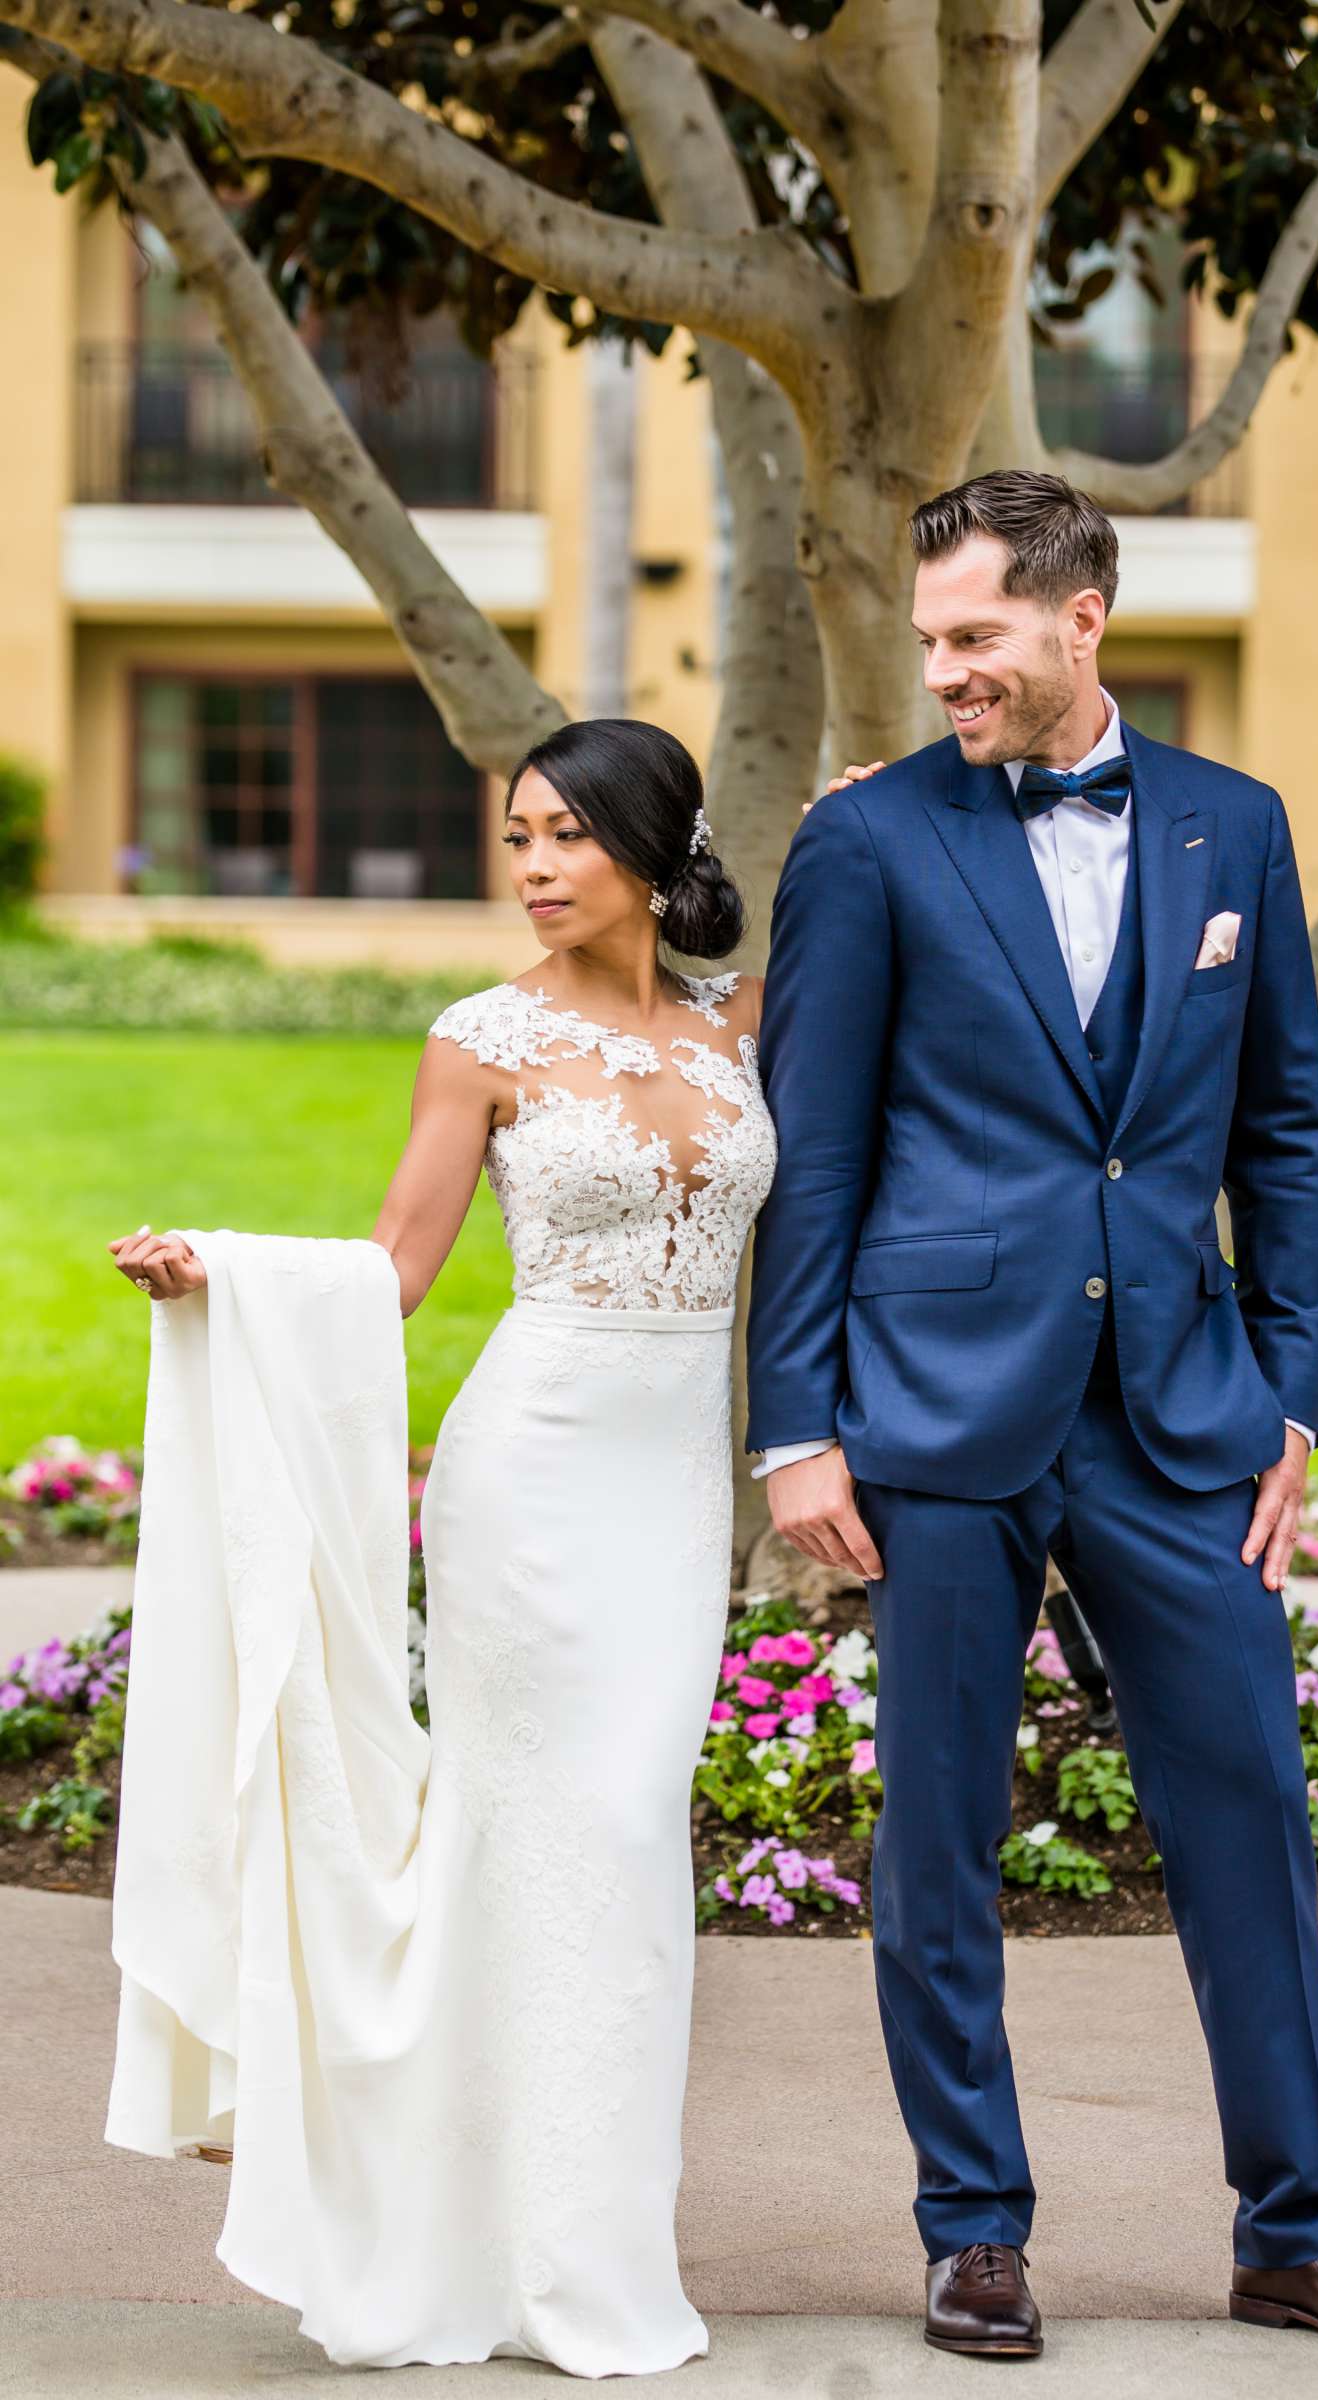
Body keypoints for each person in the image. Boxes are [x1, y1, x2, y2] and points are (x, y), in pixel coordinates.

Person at [746, 469, 1318, 2362]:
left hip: (1183, 1418)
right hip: (937, 1411)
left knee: (1250, 1815)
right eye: (931, 644)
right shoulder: (869, 842)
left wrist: (1294, 1393)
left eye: (975, 638)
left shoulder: (1238, 829)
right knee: (940, 1842)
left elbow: (1285, 1128)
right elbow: (812, 1153)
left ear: (1083, 623)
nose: (946, 674)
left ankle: (1301, 2229)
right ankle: (973, 2228)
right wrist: (794, 1426)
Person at [104, 717, 774, 2378]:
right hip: (531, 1482)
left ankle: (590, 2245)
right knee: (565, 1837)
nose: (537, 869)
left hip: (674, 1493)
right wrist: (224, 1275)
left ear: (654, 846)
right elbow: (398, 1271)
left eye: (567, 837)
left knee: (625, 1855)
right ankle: (477, 2251)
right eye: (518, 838)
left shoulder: (746, 1029)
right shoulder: (479, 1040)